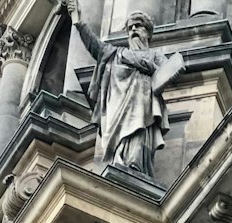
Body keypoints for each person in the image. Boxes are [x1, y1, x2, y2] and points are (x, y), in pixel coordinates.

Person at [63, 2, 184, 175]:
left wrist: (158, 70)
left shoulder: (155, 56)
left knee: (138, 136)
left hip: (143, 106)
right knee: (119, 142)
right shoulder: (116, 53)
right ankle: (119, 160)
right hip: (117, 108)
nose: (134, 29)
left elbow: (168, 72)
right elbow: (94, 44)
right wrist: (78, 21)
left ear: (147, 33)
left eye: (139, 26)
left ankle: (135, 165)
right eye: (130, 27)